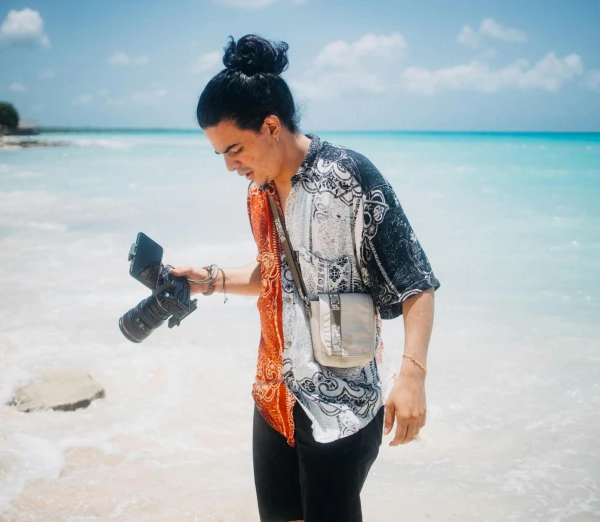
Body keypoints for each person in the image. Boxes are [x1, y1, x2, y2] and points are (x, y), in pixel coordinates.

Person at [170, 34, 440, 522]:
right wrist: (207, 279)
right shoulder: (259, 193)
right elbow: (276, 276)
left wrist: (412, 378)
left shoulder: (350, 177)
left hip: (344, 404)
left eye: (235, 149)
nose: (230, 165)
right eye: (220, 155)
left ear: (271, 126)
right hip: (274, 393)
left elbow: (415, 280)